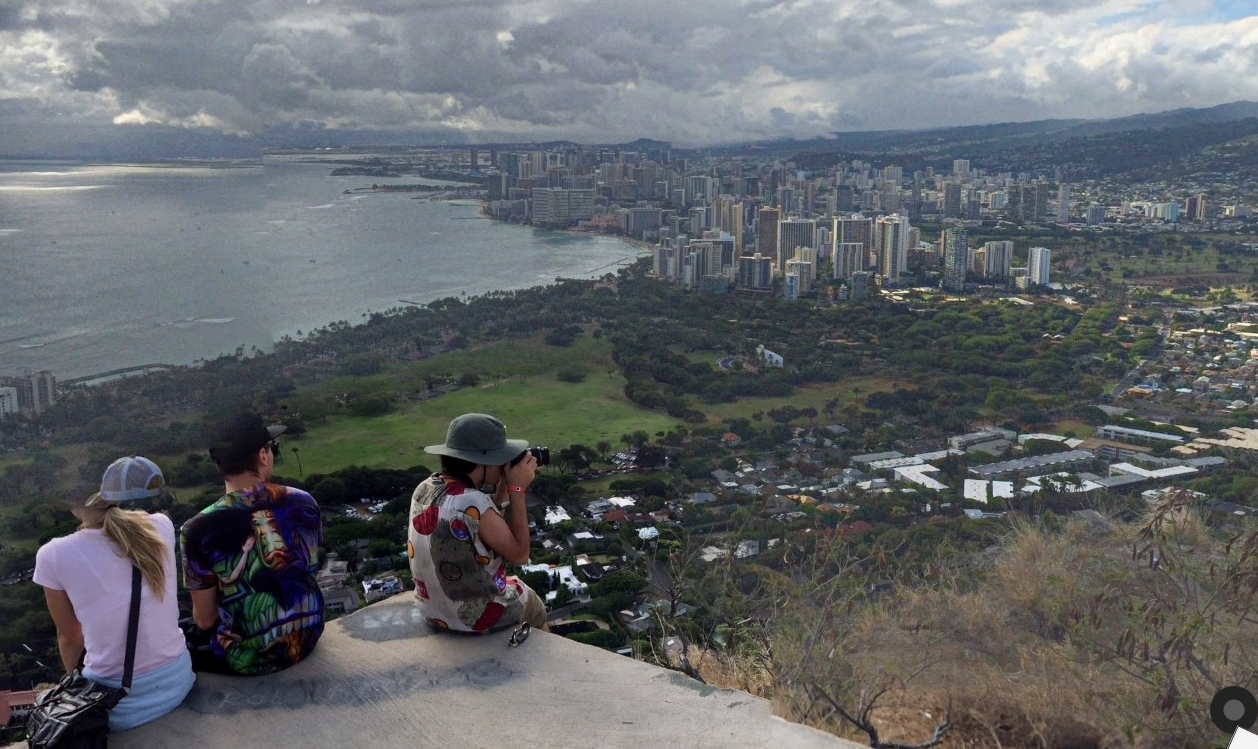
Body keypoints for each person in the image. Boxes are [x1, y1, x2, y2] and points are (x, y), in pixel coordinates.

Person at [33, 456, 195, 732]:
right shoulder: (160, 526)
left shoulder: (54, 555)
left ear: (71, 505)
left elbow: (71, 636)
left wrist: (72, 685)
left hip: (119, 705)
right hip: (178, 679)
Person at [180, 412, 324, 675]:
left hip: (249, 660)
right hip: (309, 635)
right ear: (262, 455)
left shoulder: (197, 528)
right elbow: (310, 566)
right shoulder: (302, 501)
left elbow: (205, 619)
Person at [409, 412, 549, 634]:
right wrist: (518, 489)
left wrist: (503, 486)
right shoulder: (473, 501)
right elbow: (520, 555)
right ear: (480, 462)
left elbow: (488, 528)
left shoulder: (425, 488)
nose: (502, 464)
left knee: (508, 582)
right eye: (498, 459)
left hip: (432, 611)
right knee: (530, 599)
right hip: (476, 618)